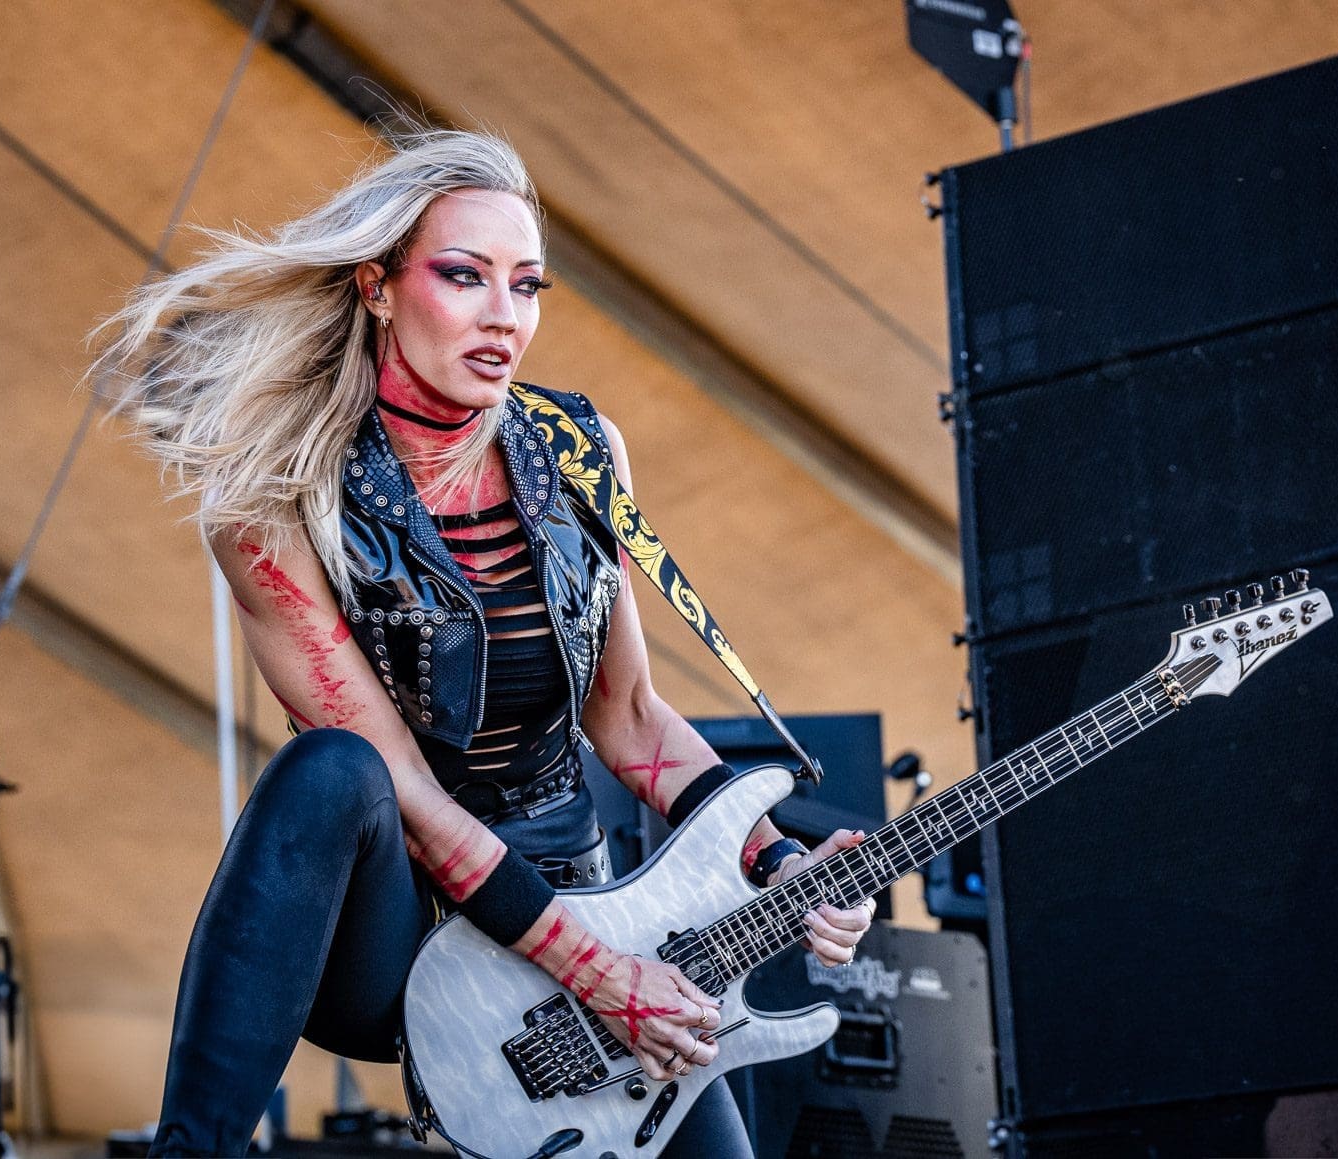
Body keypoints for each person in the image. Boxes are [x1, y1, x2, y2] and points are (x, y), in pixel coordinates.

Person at [92, 124, 874, 1157]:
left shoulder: (582, 450)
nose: (505, 318)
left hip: (578, 888)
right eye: (465, 278)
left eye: (529, 286)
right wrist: (598, 974)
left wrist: (778, 861)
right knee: (330, 769)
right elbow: (405, 796)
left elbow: (628, 715)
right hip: (398, 931)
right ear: (376, 286)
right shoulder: (272, 496)